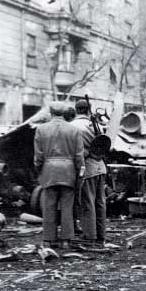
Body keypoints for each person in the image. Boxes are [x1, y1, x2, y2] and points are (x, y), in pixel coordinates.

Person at [33, 101, 84, 249]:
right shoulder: (74, 130)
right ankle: (66, 240)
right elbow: (79, 156)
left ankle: (48, 240)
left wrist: (39, 170)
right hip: (68, 171)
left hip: (49, 171)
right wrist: (79, 172)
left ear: (51, 112)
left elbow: (38, 156)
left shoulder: (41, 129)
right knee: (68, 206)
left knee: (49, 205)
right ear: (64, 113)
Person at [70, 99, 107, 246]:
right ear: (88, 109)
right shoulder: (97, 125)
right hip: (101, 167)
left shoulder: (72, 126)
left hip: (87, 167)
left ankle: (90, 236)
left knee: (88, 202)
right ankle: (101, 235)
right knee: (100, 202)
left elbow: (75, 150)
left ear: (76, 110)